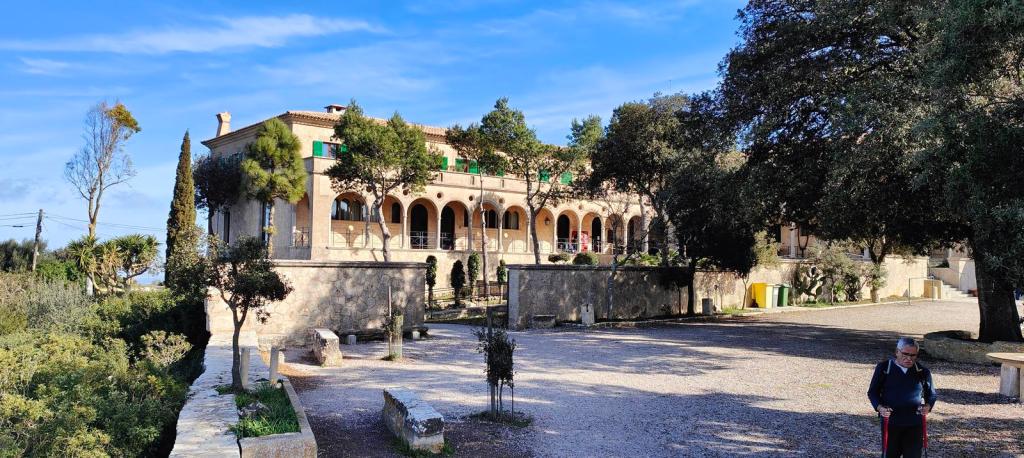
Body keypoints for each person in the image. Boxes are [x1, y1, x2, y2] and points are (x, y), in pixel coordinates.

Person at [867, 337, 938, 458]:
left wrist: (928, 406)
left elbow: (931, 394)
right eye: (905, 354)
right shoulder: (884, 368)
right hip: (891, 422)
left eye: (913, 355)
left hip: (914, 423)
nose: (909, 358)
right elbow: (872, 392)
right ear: (897, 352)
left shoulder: (922, 371)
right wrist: (880, 408)